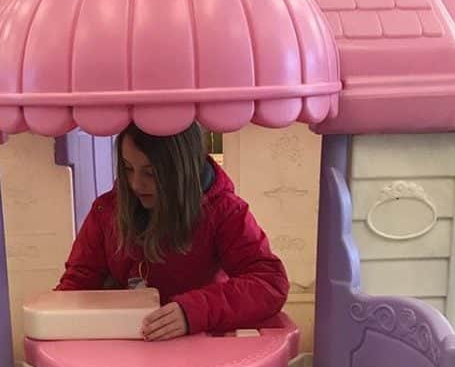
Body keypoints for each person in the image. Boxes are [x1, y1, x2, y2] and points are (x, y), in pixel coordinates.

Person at [58, 122, 289, 340]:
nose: (136, 184)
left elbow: (270, 284)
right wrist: (53, 322)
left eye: (150, 173)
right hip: (130, 346)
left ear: (183, 169)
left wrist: (193, 311)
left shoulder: (226, 211)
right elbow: (76, 286)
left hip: (200, 348)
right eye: (128, 169)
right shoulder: (105, 210)